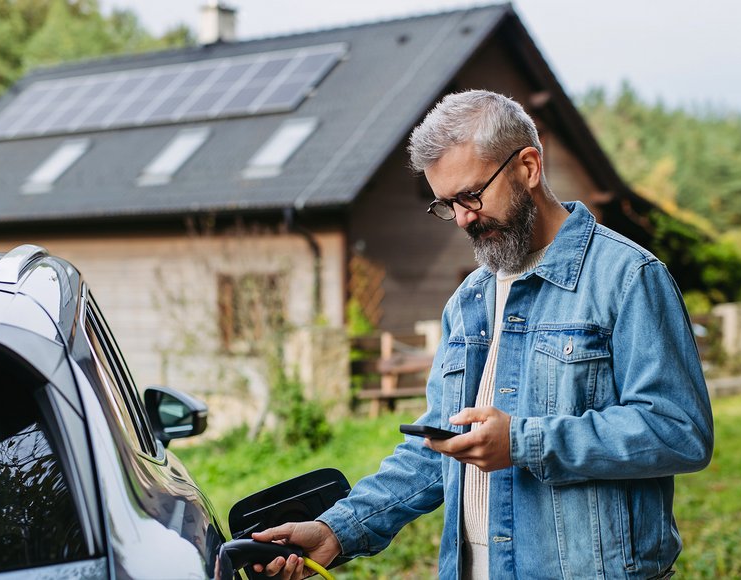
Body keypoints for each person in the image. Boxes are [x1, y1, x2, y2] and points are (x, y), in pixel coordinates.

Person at [252, 90, 714, 579]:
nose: (464, 218)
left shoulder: (628, 278)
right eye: (448, 204)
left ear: (529, 167)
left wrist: (523, 441)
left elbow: (679, 430)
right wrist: (336, 530)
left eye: (471, 195)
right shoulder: (469, 299)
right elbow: (440, 447)